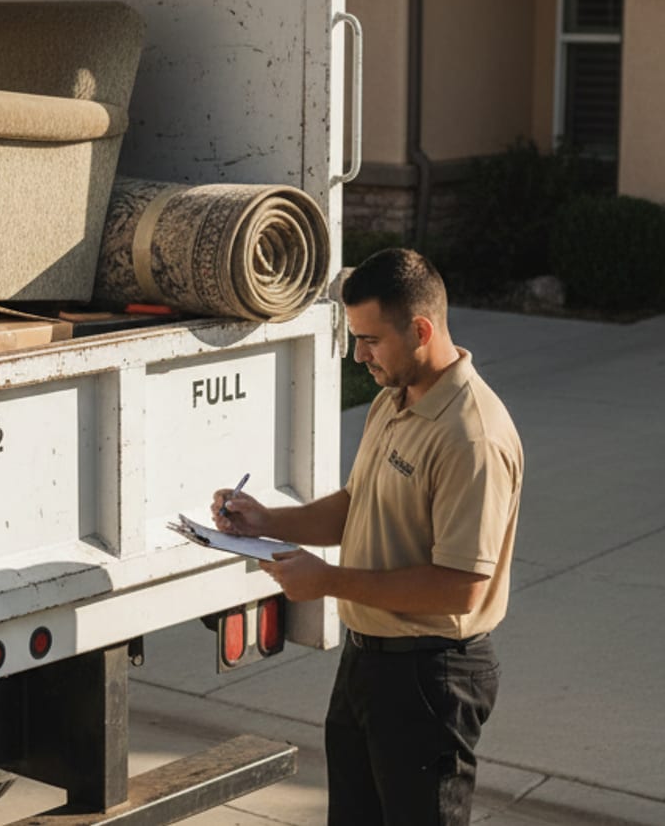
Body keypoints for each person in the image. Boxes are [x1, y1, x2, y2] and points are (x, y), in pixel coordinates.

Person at [212, 248, 523, 826]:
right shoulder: (394, 399)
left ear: (422, 330)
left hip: (432, 678)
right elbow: (357, 507)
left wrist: (326, 581)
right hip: (369, 665)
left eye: (371, 340)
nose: (359, 356)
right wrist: (268, 521)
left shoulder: (471, 439)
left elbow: (462, 590)